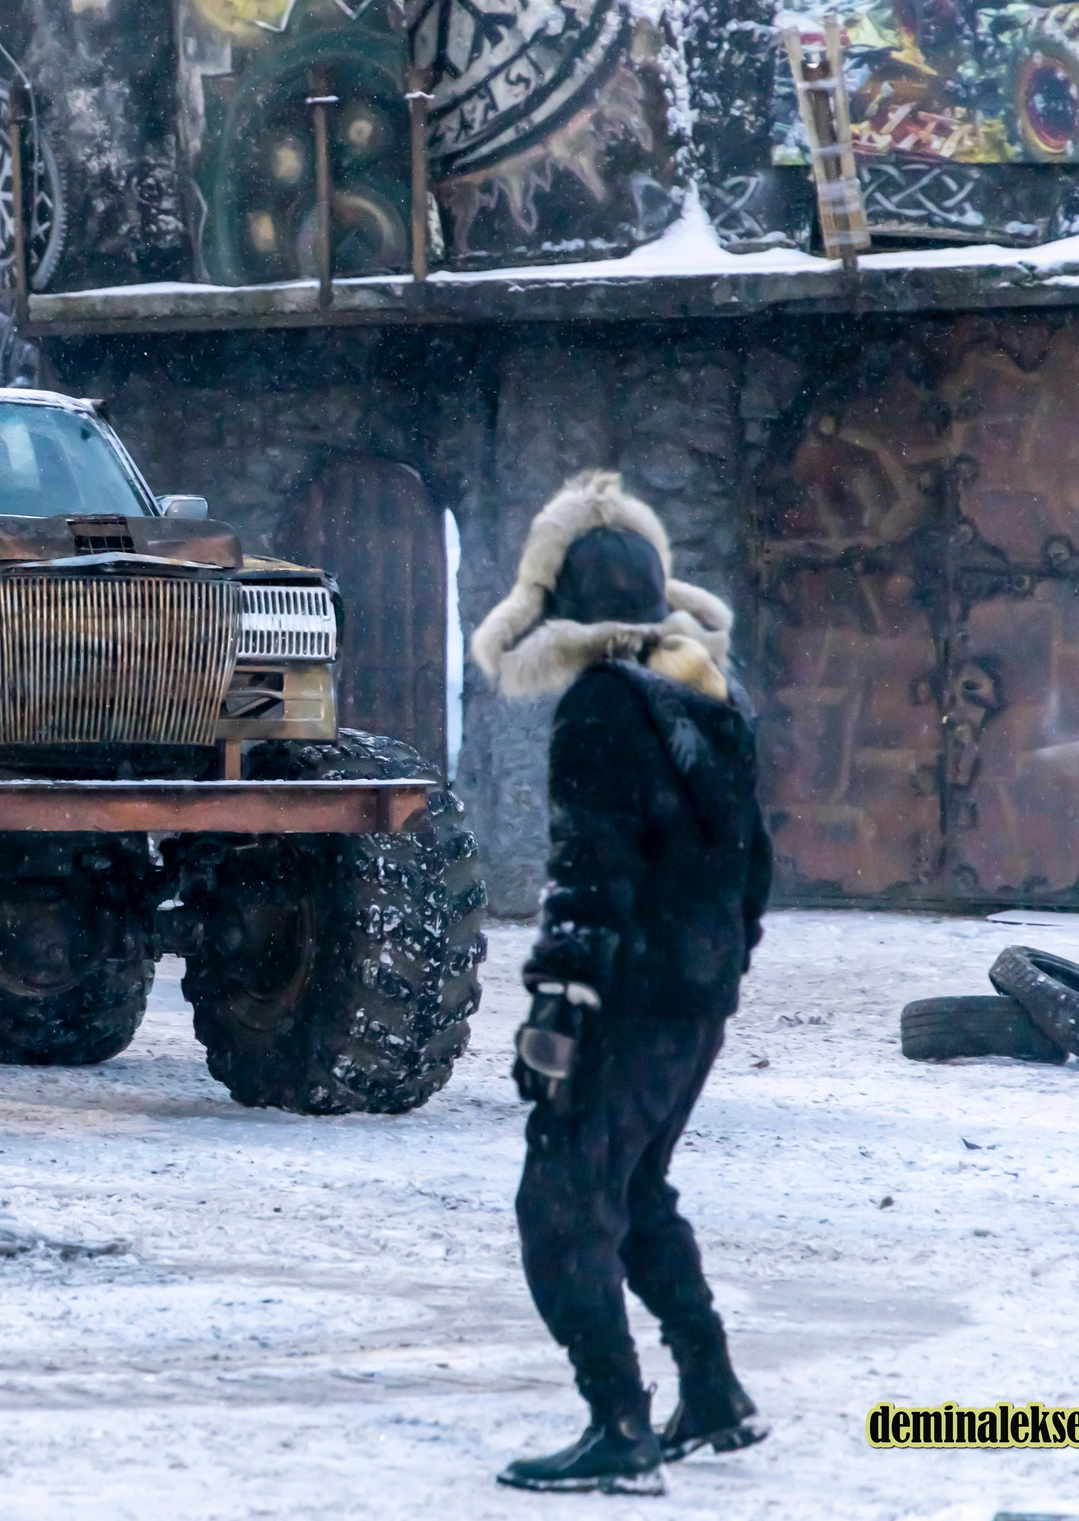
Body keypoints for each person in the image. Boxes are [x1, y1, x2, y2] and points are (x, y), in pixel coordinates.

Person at [469, 471, 773, 1497]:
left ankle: (620, 1429)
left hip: (627, 1001)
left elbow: (588, 875)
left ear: (556, 602)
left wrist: (557, 1015)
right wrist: (719, 965)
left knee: (559, 1209)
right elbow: (752, 861)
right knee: (636, 1193)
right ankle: (716, 1394)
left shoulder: (599, 705)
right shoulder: (707, 691)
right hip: (694, 998)